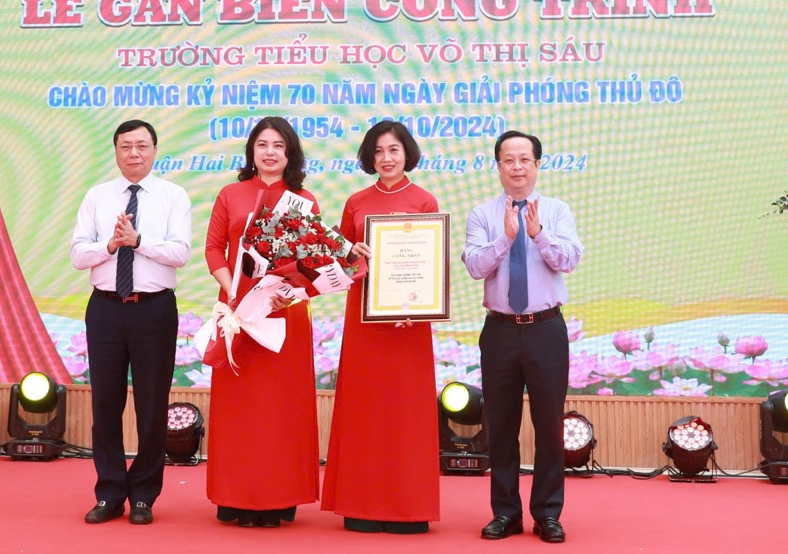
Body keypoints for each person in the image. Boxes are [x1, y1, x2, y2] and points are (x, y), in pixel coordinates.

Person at [462, 130, 583, 544]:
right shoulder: (482, 214)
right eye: (508, 160)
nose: (516, 167)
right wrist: (506, 238)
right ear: (497, 166)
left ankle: (548, 514)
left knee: (549, 425)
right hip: (499, 331)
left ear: (537, 164)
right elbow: (476, 267)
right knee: (501, 427)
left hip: (546, 329)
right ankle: (506, 512)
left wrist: (537, 235)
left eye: (524, 159)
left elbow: (570, 259)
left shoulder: (557, 210)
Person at [70, 119, 191, 526]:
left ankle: (143, 495)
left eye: (142, 145)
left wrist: (138, 241)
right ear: (116, 151)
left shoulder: (174, 196)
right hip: (105, 308)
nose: (134, 153)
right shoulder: (97, 196)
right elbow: (77, 254)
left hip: (154, 310)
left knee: (151, 406)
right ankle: (109, 493)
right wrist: (110, 244)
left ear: (155, 150)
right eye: (126, 146)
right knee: (106, 405)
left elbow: (181, 253)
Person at [321, 120, 440, 533]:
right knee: (364, 410)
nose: (386, 158)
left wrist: (420, 305)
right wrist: (352, 253)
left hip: (409, 324)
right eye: (378, 152)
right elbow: (340, 260)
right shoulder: (356, 201)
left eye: (393, 150)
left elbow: (431, 266)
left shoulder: (425, 200)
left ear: (407, 152)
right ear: (369, 158)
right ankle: (361, 503)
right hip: (365, 321)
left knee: (406, 414)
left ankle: (409, 507)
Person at [204, 116, 319, 528]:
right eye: (262, 144)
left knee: (280, 410)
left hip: (283, 313)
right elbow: (215, 249)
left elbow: (311, 262)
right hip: (239, 313)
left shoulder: (304, 200)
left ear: (290, 153)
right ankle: (234, 496)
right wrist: (233, 291)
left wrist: (280, 292)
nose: (269, 152)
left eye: (278, 145)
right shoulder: (231, 194)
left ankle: (278, 497)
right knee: (240, 410)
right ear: (252, 151)